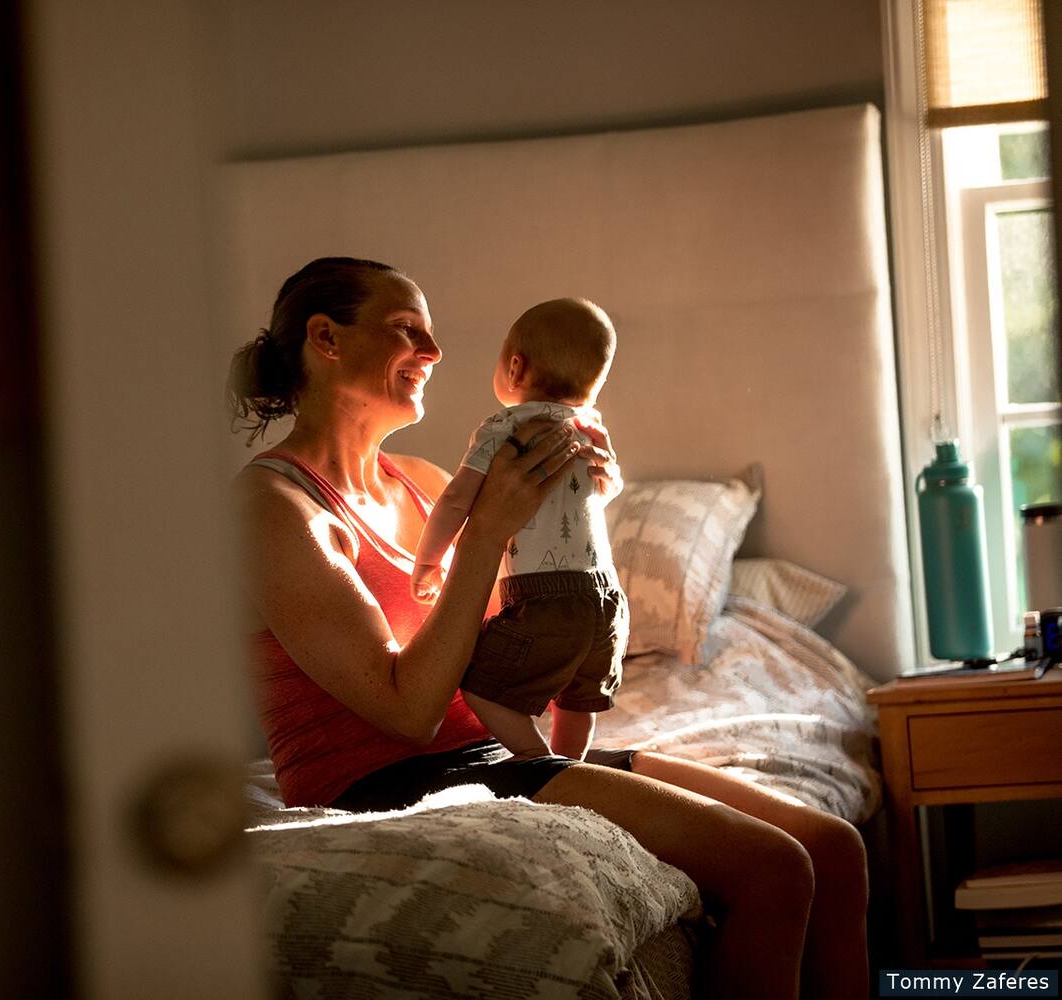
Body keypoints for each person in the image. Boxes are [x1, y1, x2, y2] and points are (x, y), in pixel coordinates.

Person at [230, 256, 868, 998]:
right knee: (774, 870)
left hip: (498, 755)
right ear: (325, 338)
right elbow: (406, 711)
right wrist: (484, 537)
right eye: (409, 330)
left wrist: (582, 503)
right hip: (397, 781)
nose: (435, 352)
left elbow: (525, 635)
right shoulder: (273, 508)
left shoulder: (427, 482)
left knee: (833, 847)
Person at [411, 298, 625, 761]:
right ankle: (575, 773)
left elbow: (455, 499)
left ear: (514, 367)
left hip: (544, 595)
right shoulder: (589, 433)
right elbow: (602, 491)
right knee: (576, 699)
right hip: (607, 597)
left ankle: (539, 765)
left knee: (483, 690)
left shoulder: (502, 428)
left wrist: (429, 561)